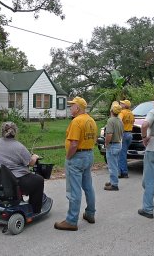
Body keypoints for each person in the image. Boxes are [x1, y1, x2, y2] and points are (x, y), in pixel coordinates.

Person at [54, 97, 97, 231]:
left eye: (72, 106)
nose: (70, 108)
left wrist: (68, 157)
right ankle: (90, 214)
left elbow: (73, 144)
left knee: (74, 189)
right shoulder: (91, 120)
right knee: (88, 186)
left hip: (77, 156)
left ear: (77, 108)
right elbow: (94, 140)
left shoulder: (77, 121)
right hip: (88, 154)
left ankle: (71, 221)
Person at [0, 121, 44, 213]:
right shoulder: (19, 147)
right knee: (38, 180)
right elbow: (30, 163)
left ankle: (18, 201)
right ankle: (35, 209)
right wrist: (35, 157)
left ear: (2, 131)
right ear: (15, 132)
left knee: (17, 175)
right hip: (13, 182)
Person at [104, 102, 124, 191]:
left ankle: (114, 184)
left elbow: (109, 134)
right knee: (115, 164)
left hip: (112, 145)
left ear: (111, 110)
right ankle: (112, 181)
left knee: (112, 166)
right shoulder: (120, 120)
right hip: (119, 144)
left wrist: (106, 143)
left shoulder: (110, 121)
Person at [118, 99, 135, 178]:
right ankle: (122, 170)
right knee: (124, 153)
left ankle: (123, 172)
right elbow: (133, 122)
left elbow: (119, 120)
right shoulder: (131, 113)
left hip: (124, 134)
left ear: (125, 106)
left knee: (122, 154)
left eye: (122, 103)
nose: (120, 104)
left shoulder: (122, 112)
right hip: (130, 134)